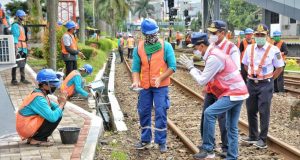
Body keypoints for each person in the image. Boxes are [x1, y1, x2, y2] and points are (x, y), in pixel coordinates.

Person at [178, 32, 249, 159]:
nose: (194, 51)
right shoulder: (213, 54)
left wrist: (190, 68)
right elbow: (208, 76)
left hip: (233, 92)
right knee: (231, 126)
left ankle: (208, 149)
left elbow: (202, 80)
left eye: (194, 48)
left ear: (201, 46)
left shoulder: (214, 57)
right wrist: (194, 69)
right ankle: (232, 156)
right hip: (238, 91)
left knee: (209, 113)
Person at [131, 18, 176, 153]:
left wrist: (161, 77)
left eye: (154, 33)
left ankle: (161, 141)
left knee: (160, 112)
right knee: (143, 111)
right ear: (144, 34)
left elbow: (173, 67)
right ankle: (145, 140)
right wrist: (135, 80)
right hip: (145, 86)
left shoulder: (166, 46)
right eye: (149, 34)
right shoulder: (138, 48)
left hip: (160, 87)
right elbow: (135, 68)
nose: (152, 36)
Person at [200, 20, 241, 157]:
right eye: (210, 32)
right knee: (206, 115)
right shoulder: (211, 47)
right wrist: (207, 84)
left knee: (224, 120)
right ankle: (207, 147)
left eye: (213, 32)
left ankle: (226, 148)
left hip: (225, 91)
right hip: (212, 89)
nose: (210, 35)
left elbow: (235, 70)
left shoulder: (232, 49)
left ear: (222, 33)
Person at [241, 24, 284, 148]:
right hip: (251, 83)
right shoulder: (249, 48)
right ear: (254, 35)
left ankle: (262, 139)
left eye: (262, 35)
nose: (259, 37)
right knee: (250, 109)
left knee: (264, 111)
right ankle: (253, 135)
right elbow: (245, 65)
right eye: (257, 35)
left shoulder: (274, 50)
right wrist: (252, 76)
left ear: (267, 36)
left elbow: (279, 68)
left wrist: (269, 79)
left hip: (266, 83)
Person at [16, 69, 67, 146]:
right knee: (55, 116)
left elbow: (56, 108)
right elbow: (53, 117)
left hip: (26, 126)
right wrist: (62, 104)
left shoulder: (41, 94)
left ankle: (33, 137)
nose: (55, 87)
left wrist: (61, 103)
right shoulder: (38, 98)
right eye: (52, 84)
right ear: (44, 85)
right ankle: (37, 139)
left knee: (56, 112)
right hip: (25, 128)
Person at [11, 10, 31, 85]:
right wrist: (16, 46)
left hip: (24, 46)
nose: (24, 17)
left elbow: (24, 36)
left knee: (23, 63)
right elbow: (15, 36)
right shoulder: (15, 25)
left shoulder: (21, 25)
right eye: (23, 16)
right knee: (15, 64)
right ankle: (14, 79)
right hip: (18, 46)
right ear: (18, 16)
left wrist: (26, 45)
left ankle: (23, 79)